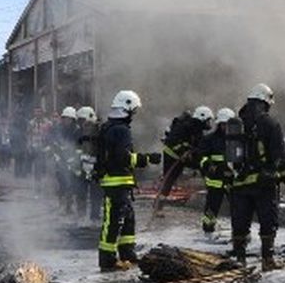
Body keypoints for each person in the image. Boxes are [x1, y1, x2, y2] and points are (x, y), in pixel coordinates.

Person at [228, 83, 285, 270]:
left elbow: (230, 156)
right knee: (267, 220)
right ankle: (267, 260)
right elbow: (280, 157)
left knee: (240, 221)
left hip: (240, 182)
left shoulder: (237, 123)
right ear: (266, 101)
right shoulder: (270, 124)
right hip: (264, 183)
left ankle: (240, 259)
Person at [96, 90, 161, 271]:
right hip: (116, 182)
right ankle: (107, 260)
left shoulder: (110, 127)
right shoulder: (121, 130)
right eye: (133, 111)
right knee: (113, 221)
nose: (134, 115)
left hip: (119, 181)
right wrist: (147, 159)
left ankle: (127, 253)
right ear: (127, 108)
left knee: (128, 218)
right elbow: (123, 158)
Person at [158, 106, 215, 198]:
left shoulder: (197, 129)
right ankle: (159, 204)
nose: (209, 123)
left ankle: (211, 190)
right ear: (202, 118)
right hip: (172, 156)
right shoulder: (185, 127)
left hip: (182, 157)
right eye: (208, 120)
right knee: (169, 180)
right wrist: (185, 150)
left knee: (203, 164)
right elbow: (172, 142)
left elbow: (198, 145)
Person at [196, 107, 235, 236]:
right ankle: (208, 230)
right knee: (211, 209)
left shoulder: (237, 140)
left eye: (227, 125)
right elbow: (201, 157)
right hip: (215, 180)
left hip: (232, 180)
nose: (225, 127)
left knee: (238, 208)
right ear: (219, 124)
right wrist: (208, 165)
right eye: (222, 124)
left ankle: (239, 232)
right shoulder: (210, 139)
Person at [46, 107, 80, 213]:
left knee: (71, 184)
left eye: (69, 119)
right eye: (65, 118)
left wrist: (74, 159)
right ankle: (62, 204)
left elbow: (78, 146)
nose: (67, 121)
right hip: (60, 160)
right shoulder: (59, 129)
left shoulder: (77, 130)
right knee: (61, 183)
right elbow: (53, 141)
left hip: (73, 162)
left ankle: (69, 205)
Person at [73, 105, 101, 223]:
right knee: (81, 192)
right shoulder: (78, 132)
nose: (81, 123)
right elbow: (76, 147)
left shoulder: (99, 131)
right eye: (79, 121)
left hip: (95, 167)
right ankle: (81, 216)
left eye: (82, 120)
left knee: (96, 193)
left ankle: (94, 216)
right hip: (82, 167)